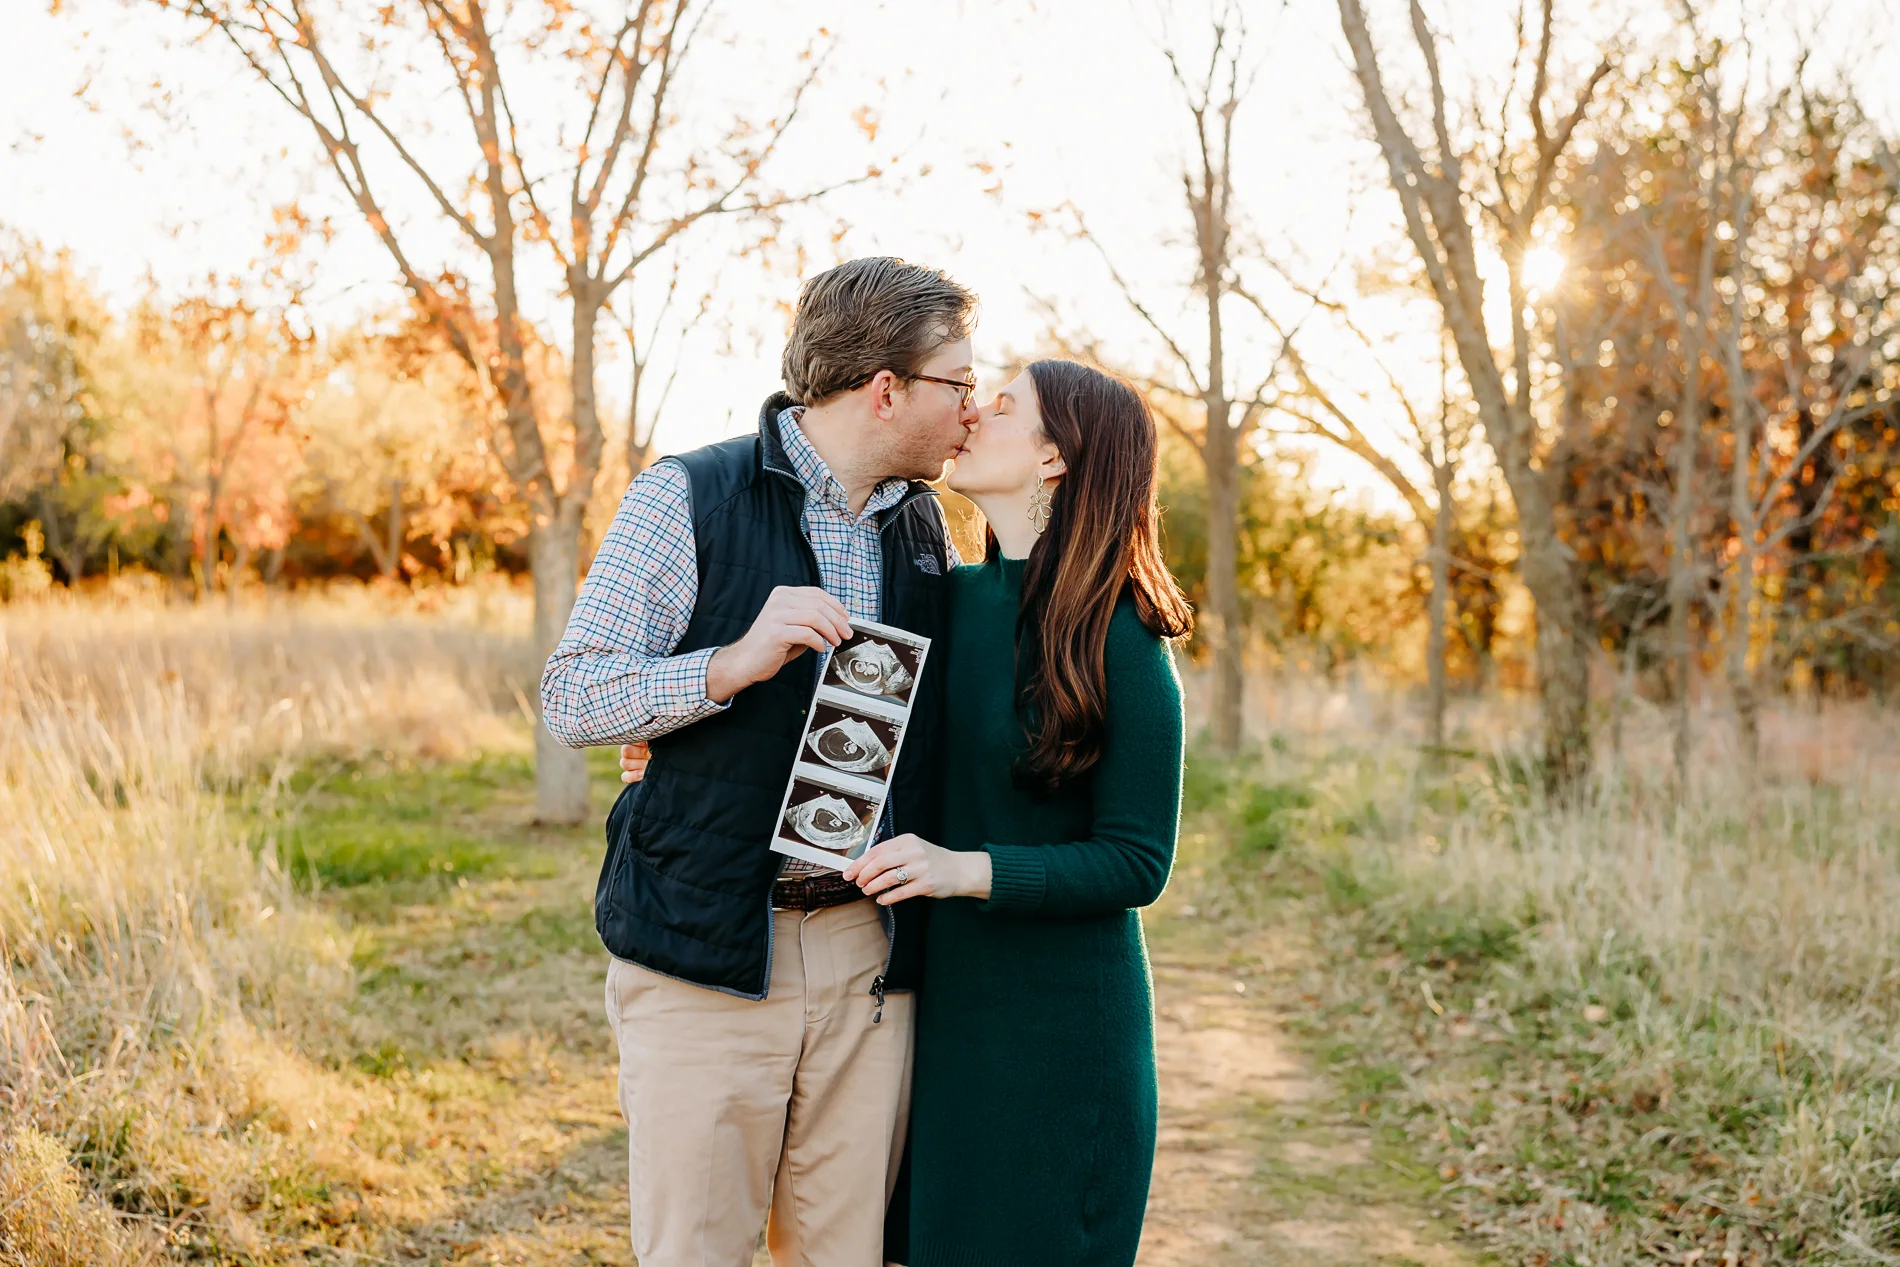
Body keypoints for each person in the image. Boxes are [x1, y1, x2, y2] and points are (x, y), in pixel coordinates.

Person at [621, 359, 1193, 1267]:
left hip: (1058, 1026)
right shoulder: (940, 599)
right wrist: (689, 746)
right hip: (931, 1009)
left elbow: (1136, 860)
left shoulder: (1119, 633)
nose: (972, 412)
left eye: (1003, 406)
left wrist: (964, 868)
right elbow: (854, 738)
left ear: (1055, 458)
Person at [541, 256, 977, 1267]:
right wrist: (725, 669)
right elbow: (571, 696)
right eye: (956, 382)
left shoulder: (923, 527)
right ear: (886, 389)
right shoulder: (686, 496)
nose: (971, 406)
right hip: (707, 957)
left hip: (870, 960)